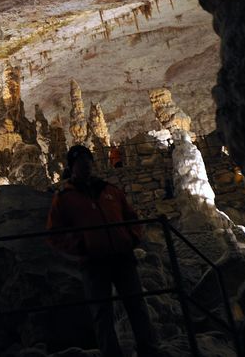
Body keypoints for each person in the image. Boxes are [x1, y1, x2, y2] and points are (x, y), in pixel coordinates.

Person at [47, 145, 161, 357]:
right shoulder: (64, 198)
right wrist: (80, 247)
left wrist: (132, 238)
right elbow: (54, 233)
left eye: (88, 162)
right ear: (72, 168)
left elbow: (131, 216)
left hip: (122, 257)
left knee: (137, 306)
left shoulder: (110, 190)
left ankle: (149, 350)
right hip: (93, 262)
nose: (85, 166)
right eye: (80, 163)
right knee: (102, 314)